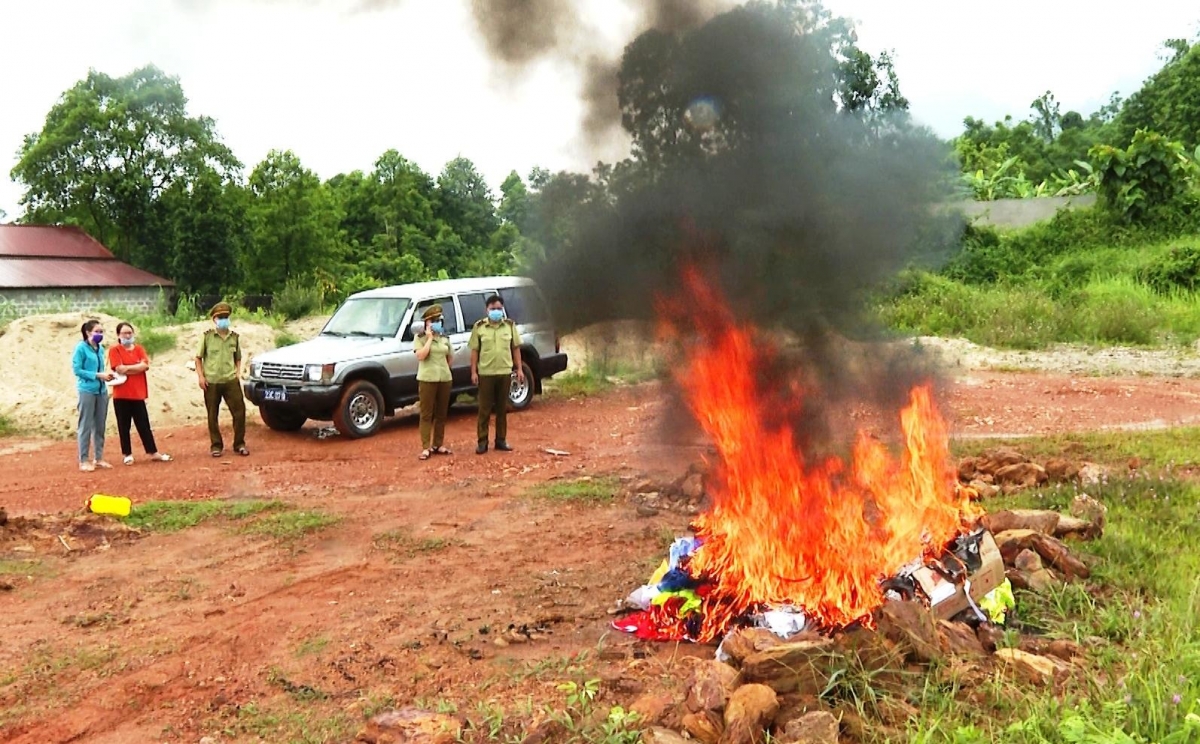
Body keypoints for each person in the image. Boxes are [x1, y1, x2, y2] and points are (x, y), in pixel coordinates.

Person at [108, 322, 172, 466]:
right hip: (121, 394)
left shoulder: (139, 349)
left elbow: (145, 365)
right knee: (123, 426)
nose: (128, 335)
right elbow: (119, 368)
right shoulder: (115, 350)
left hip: (138, 393)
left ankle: (152, 451)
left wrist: (128, 368)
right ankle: (127, 454)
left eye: (130, 332)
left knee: (143, 424)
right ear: (118, 335)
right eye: (124, 333)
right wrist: (136, 368)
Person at [469, 294, 523, 455]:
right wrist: (473, 371)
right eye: (493, 309)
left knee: (502, 409)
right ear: (487, 310)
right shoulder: (479, 327)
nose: (496, 312)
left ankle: (501, 440)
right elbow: (474, 351)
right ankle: (482, 442)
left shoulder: (509, 326)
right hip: (486, 373)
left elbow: (516, 348)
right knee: (484, 409)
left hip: (504, 372)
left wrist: (519, 369)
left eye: (499, 309)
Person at [196, 302, 248, 457]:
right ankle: (216, 445)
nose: (224, 320)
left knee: (239, 412)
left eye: (226, 317)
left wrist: (238, 373)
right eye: (221, 317)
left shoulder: (234, 338)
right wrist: (200, 376)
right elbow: (198, 358)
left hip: (230, 380)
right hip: (211, 381)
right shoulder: (207, 337)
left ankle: (239, 443)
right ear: (214, 319)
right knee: (212, 414)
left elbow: (238, 357)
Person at [72, 319, 114, 472]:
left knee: (100, 425)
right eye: (97, 331)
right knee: (85, 425)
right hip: (87, 390)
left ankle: (99, 457)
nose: (100, 334)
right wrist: (97, 375)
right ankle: (83, 459)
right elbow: (77, 370)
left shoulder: (100, 349)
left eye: (101, 332)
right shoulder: (81, 348)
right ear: (88, 332)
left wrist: (107, 377)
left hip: (101, 390)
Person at [414, 303, 454, 460]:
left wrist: (445, 369)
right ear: (427, 323)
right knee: (426, 414)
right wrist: (429, 338)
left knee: (441, 413)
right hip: (427, 379)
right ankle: (426, 447)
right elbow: (421, 356)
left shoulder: (445, 339)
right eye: (433, 320)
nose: (437, 323)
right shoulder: (420, 339)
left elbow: (450, 357)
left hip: (444, 378)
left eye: (439, 320)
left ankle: (439, 443)